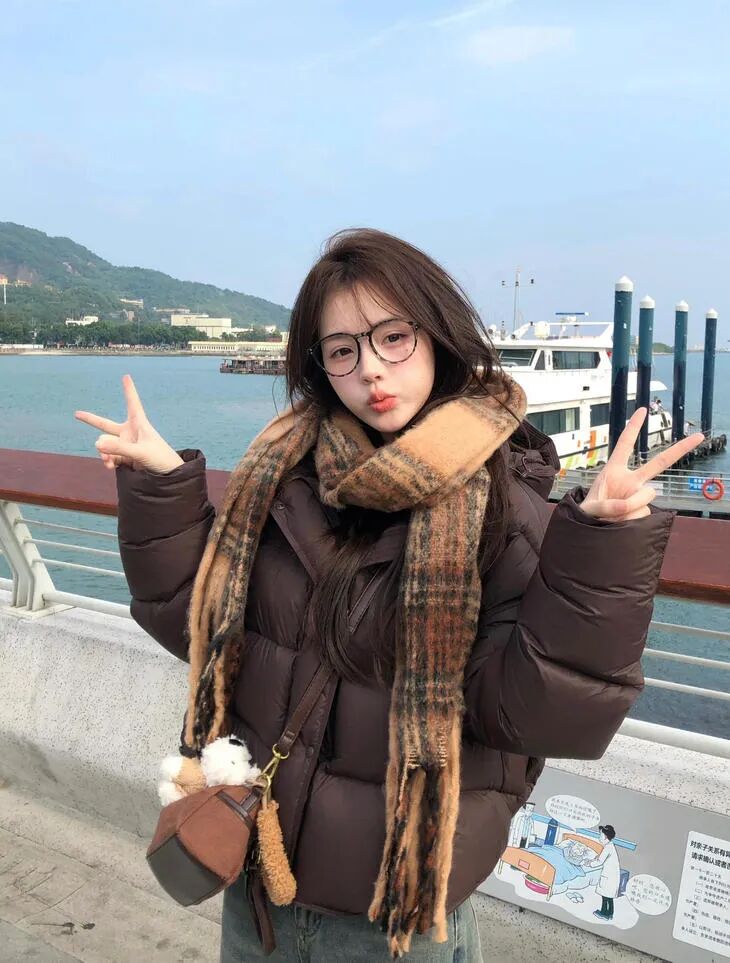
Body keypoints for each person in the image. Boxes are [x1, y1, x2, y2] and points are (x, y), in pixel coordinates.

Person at [75, 229, 702, 962]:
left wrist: (600, 549)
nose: (370, 368)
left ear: (436, 335)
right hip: (256, 873)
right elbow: (202, 628)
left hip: (395, 912)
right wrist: (160, 487)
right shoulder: (286, 478)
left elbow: (536, 713)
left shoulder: (506, 506)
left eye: (393, 338)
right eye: (342, 350)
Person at [588, 825, 621, 921]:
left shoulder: (608, 848)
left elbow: (599, 862)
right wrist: (596, 858)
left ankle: (604, 913)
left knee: (605, 896)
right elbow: (601, 858)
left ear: (606, 837)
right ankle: (610, 914)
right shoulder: (610, 846)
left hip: (608, 876)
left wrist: (590, 863)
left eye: (600, 835)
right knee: (609, 897)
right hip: (612, 876)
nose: (599, 838)